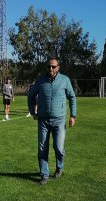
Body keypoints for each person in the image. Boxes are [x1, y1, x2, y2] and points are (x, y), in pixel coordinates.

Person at [28, 57, 77, 185]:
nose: (51, 68)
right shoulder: (40, 81)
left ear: (58, 67)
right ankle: (44, 174)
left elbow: (72, 97)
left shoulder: (65, 80)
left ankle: (59, 168)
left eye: (53, 66)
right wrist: (33, 112)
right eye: (49, 66)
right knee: (42, 148)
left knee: (59, 148)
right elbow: (31, 96)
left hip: (59, 120)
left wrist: (73, 116)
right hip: (43, 120)